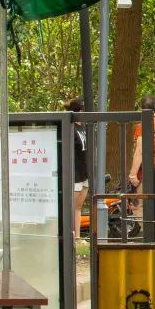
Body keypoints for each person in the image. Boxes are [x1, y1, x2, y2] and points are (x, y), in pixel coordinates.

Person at [65, 97, 88, 238]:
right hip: (75, 174)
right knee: (71, 207)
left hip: (84, 173)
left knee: (78, 207)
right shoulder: (70, 128)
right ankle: (70, 237)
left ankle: (78, 237)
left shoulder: (83, 127)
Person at [128, 94, 155, 191]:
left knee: (141, 204)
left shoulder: (143, 125)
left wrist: (133, 174)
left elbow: (140, 150)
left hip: (146, 172)